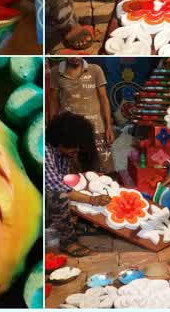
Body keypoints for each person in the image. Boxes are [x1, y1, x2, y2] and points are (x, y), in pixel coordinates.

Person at [45, 111, 111, 257]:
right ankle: (67, 242)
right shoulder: (46, 152)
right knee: (59, 196)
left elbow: (64, 181)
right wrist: (93, 200)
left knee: (72, 191)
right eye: (75, 147)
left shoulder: (63, 153)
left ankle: (69, 225)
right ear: (62, 141)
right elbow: (58, 188)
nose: (77, 151)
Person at [49, 58, 114, 172]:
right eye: (71, 56)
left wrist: (108, 127)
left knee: (103, 168)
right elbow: (53, 100)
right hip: (69, 132)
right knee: (73, 170)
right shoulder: (55, 72)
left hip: (96, 127)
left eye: (78, 56)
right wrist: (52, 127)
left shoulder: (95, 70)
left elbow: (104, 99)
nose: (75, 58)